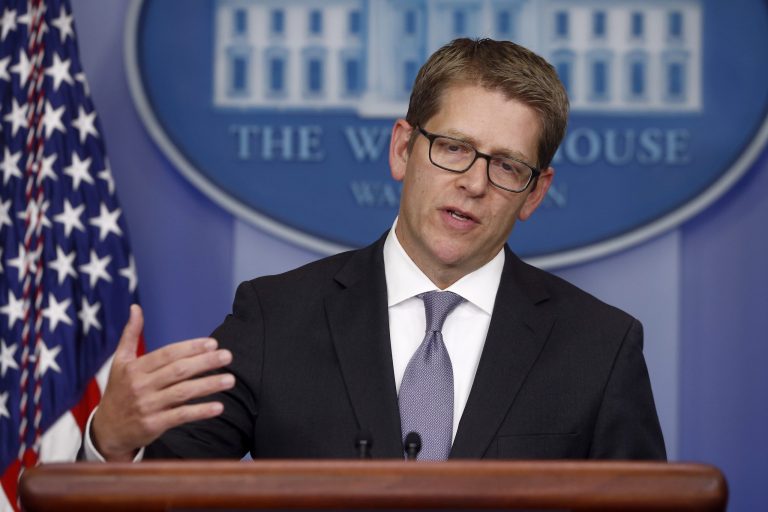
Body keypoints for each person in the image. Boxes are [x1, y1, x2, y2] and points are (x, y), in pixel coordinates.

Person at [85, 38, 666, 462]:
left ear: (535, 192)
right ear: (402, 149)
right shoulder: (274, 319)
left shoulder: (600, 348)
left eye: (508, 165)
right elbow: (167, 488)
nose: (474, 182)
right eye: (453, 147)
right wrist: (110, 441)